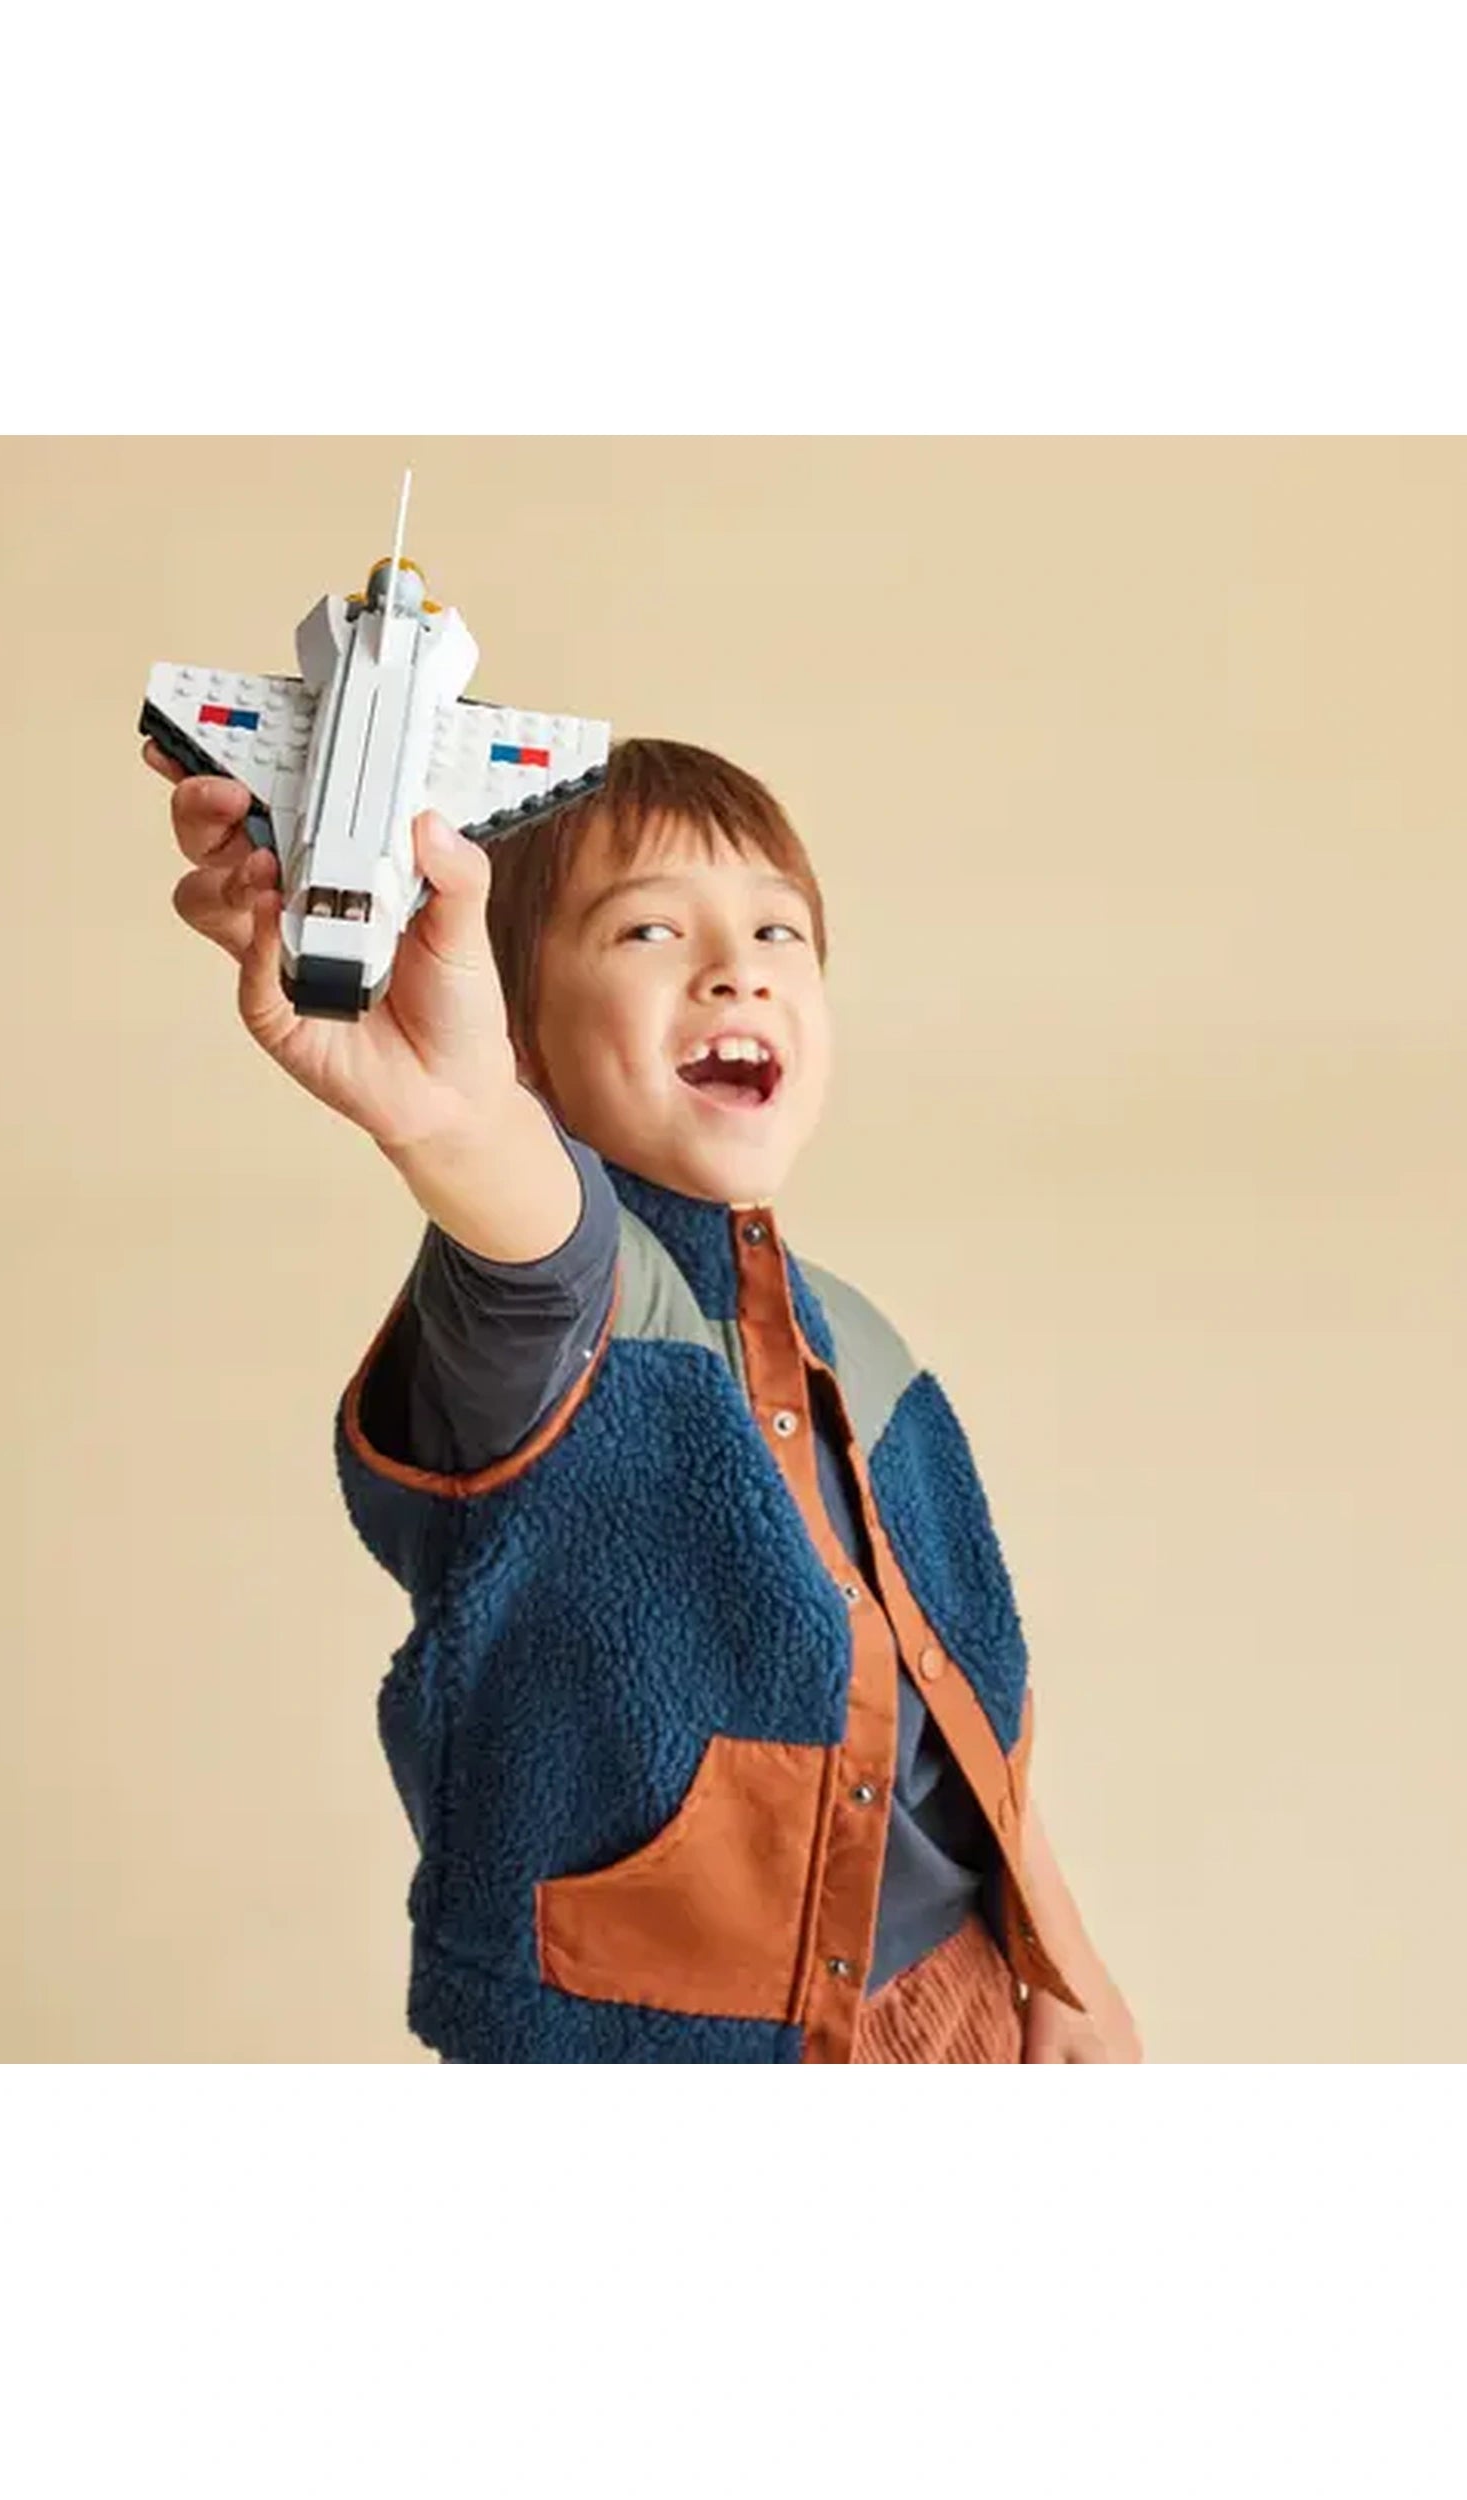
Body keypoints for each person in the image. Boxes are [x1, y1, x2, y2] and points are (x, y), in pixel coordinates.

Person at [149, 732, 1142, 2064]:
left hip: (947, 1998)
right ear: (520, 1035)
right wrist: (450, 1111)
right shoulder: (545, 1305)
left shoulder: (859, 1340)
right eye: (649, 933)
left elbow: (951, 1697)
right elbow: (505, 1184)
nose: (736, 966)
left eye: (779, 931)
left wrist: (1057, 1963)